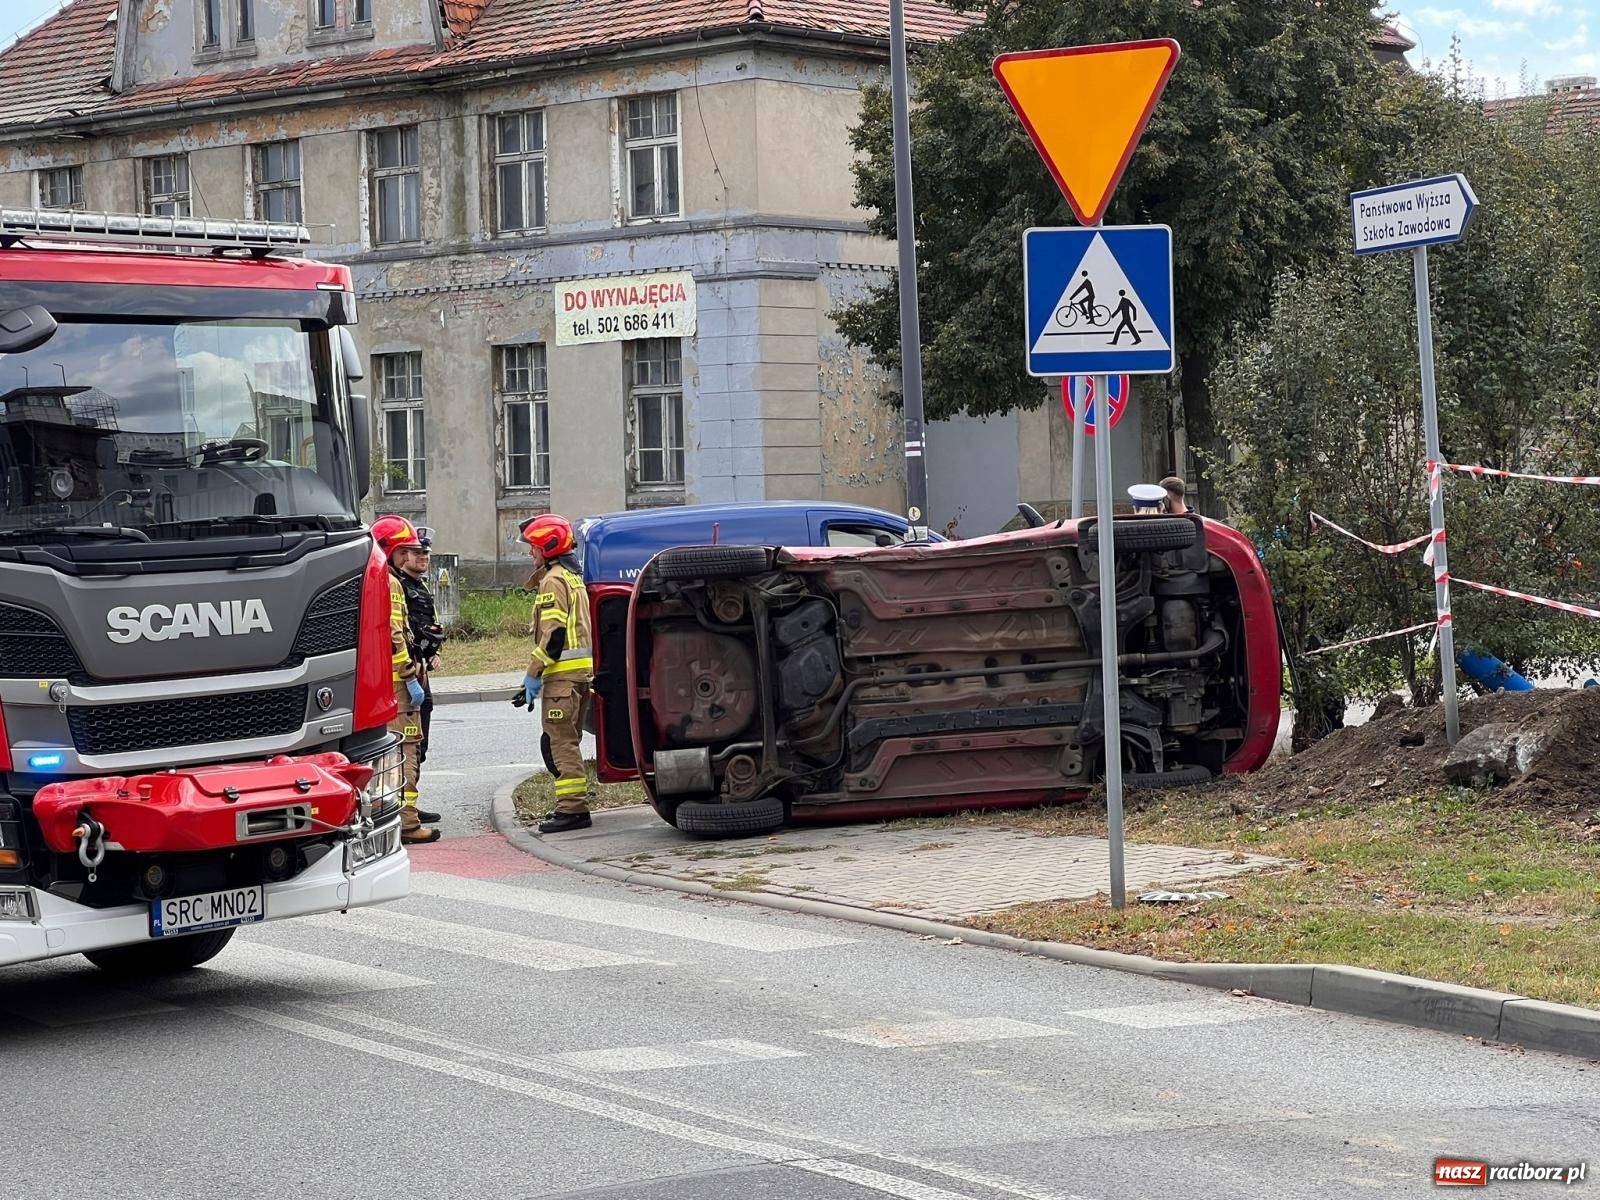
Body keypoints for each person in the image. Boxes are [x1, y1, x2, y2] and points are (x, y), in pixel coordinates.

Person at [517, 513, 595, 833]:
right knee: (569, 741)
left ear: (548, 547)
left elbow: (553, 635)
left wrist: (533, 674)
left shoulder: (553, 580)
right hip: (578, 676)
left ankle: (573, 809)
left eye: (533, 547)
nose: (531, 553)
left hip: (561, 676)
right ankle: (573, 806)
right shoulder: (573, 577)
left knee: (561, 742)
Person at [370, 514, 441, 844]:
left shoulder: (379, 578)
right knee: (407, 750)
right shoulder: (392, 583)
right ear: (389, 552)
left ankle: (396, 815)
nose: (410, 556)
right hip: (402, 682)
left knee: (394, 753)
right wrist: (410, 676)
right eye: (403, 551)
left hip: (391, 679)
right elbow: (396, 634)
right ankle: (408, 823)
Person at [398, 525, 446, 807]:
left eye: (425, 552)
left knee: (420, 745)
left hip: (421, 669)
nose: (423, 557)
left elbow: (426, 627)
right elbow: (403, 631)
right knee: (411, 744)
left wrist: (433, 653)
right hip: (407, 674)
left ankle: (412, 807)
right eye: (417, 552)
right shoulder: (400, 586)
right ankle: (407, 810)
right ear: (402, 555)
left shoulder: (420, 586)